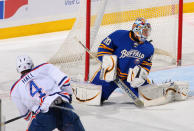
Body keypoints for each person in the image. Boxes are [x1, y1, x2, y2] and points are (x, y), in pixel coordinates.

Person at [10, 55, 85, 131]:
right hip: (62, 107)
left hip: (44, 117)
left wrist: (34, 112)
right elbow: (65, 80)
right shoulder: (45, 67)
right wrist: (68, 96)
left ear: (18, 70)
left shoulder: (15, 89)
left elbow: (26, 116)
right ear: (32, 64)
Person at [90, 17, 154, 104]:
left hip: (130, 78)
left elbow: (147, 64)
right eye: (144, 31)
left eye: (147, 31)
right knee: (93, 97)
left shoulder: (149, 48)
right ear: (137, 30)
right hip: (111, 74)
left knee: (149, 97)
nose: (147, 34)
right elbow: (103, 48)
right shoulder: (119, 35)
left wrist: (142, 74)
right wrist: (108, 62)